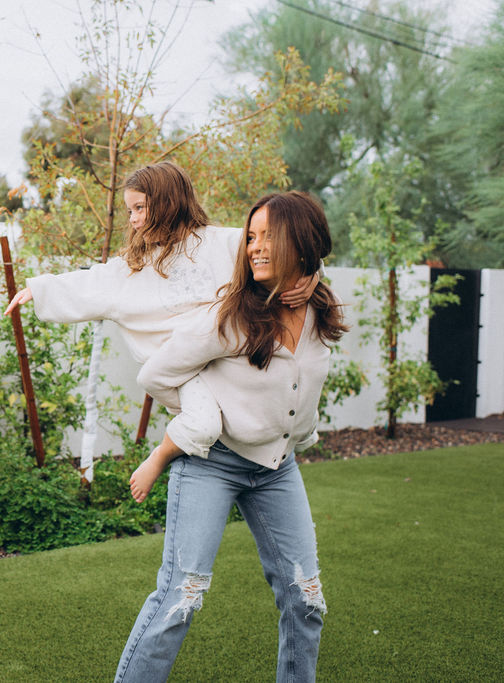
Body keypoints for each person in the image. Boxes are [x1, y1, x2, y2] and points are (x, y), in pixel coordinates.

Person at [113, 190, 347, 682]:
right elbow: (156, 374)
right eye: (251, 237)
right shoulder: (233, 315)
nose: (255, 247)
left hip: (278, 468)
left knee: (307, 600)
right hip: (210, 463)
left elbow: (314, 275)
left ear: (301, 244)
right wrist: (203, 415)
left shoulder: (319, 313)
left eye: (269, 237)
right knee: (181, 598)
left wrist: (314, 275)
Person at [4, 162, 317, 500]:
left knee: (292, 402)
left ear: (169, 202)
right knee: (205, 424)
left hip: (231, 365)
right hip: (185, 374)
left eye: (140, 207)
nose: (134, 218)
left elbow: (284, 248)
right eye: (129, 210)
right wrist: (41, 288)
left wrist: (311, 275)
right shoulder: (134, 268)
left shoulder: (221, 243)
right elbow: (92, 280)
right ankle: (163, 455)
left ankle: (303, 435)